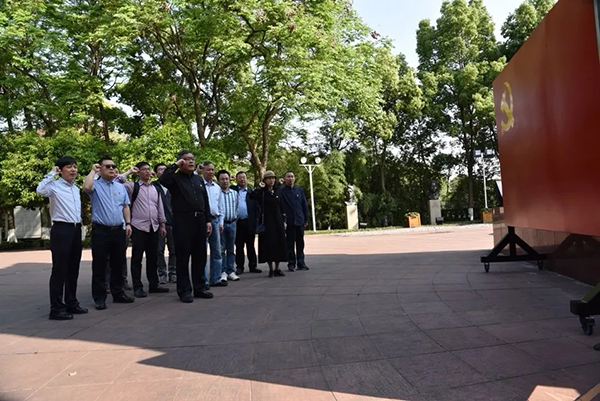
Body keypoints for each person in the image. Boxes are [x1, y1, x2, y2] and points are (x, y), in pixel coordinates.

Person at [159, 150, 214, 303]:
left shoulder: (198, 179)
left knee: (200, 256)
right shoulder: (174, 179)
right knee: (183, 258)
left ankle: (200, 288)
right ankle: (184, 291)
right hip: (183, 221)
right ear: (180, 162)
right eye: (186, 159)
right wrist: (175, 165)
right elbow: (163, 180)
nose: (191, 161)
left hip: (200, 220)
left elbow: (205, 200)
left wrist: (208, 220)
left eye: (192, 159)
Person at [36, 156, 87, 320]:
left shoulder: (76, 188)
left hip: (75, 229)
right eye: (69, 167)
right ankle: (56, 308)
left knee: (73, 268)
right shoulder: (54, 186)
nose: (73, 170)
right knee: (60, 269)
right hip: (61, 229)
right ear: (60, 170)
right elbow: (40, 190)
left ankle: (71, 302)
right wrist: (52, 173)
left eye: (75, 167)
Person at [83, 157, 135, 310]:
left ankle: (118, 293)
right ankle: (100, 298)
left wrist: (128, 223)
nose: (112, 169)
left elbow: (125, 206)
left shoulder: (120, 187)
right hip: (101, 230)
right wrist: (93, 171)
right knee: (99, 265)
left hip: (118, 230)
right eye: (107, 166)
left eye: (113, 166)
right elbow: (86, 187)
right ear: (100, 169)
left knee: (118, 264)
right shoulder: (95, 185)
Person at [118, 162, 169, 298]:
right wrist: (130, 171)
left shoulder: (155, 188)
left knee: (153, 258)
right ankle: (138, 287)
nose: (147, 171)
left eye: (148, 169)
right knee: (137, 259)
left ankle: (154, 284)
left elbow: (160, 207)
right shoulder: (132, 186)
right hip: (138, 227)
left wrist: (162, 225)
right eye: (144, 169)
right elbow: (117, 180)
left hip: (154, 227)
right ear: (138, 172)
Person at [249, 171, 287, 277]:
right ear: (265, 180)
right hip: (267, 222)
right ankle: (270, 268)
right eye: (269, 178)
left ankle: (277, 268)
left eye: (273, 178)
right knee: (268, 245)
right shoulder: (262, 192)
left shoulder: (278, 191)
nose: (271, 180)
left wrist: (284, 220)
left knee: (279, 244)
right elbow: (252, 196)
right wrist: (259, 187)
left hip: (278, 221)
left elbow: (282, 206)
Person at [231, 171, 261, 274]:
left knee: (250, 246)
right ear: (236, 179)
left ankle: (253, 266)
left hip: (249, 222)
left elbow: (257, 209)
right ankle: (240, 267)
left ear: (247, 179)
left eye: (244, 177)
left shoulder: (251, 193)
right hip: (238, 222)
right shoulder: (233, 191)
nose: (242, 179)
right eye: (240, 177)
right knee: (239, 246)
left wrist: (256, 222)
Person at [280, 171, 309, 272]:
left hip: (299, 220)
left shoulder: (299, 190)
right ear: (285, 179)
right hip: (289, 221)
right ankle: (291, 263)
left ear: (294, 178)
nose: (290, 178)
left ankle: (301, 263)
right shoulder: (282, 191)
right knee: (290, 243)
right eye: (288, 177)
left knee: (300, 243)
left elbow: (304, 205)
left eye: (292, 176)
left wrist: (306, 219)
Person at [201, 161, 225, 287]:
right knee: (202, 251)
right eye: (208, 169)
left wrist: (221, 222)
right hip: (202, 221)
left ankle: (216, 278)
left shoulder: (217, 187)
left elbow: (221, 206)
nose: (211, 172)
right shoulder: (199, 185)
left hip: (215, 221)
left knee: (217, 251)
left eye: (212, 169)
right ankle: (203, 281)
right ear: (202, 170)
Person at [154, 163, 176, 284]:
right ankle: (162, 273)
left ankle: (173, 273)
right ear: (156, 173)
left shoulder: (173, 185)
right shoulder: (153, 186)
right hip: (158, 223)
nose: (162, 171)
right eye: (160, 169)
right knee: (159, 250)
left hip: (173, 222)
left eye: (164, 169)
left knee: (174, 250)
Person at [217, 169, 241, 282]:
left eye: (226, 179)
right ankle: (223, 271)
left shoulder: (234, 193)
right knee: (221, 249)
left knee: (231, 249)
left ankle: (231, 270)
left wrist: (235, 219)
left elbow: (237, 208)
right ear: (218, 180)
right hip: (221, 225)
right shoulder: (217, 193)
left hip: (232, 223)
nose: (225, 181)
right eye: (222, 179)